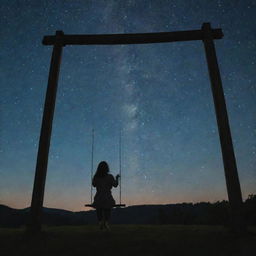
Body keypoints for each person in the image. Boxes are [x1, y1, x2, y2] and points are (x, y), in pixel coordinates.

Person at [92, 161, 120, 230]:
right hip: (108, 198)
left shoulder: (96, 177)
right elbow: (115, 185)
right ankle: (106, 222)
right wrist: (117, 178)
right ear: (107, 168)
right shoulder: (110, 177)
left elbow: (94, 184)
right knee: (108, 208)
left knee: (99, 209)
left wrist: (94, 178)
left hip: (98, 198)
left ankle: (100, 222)